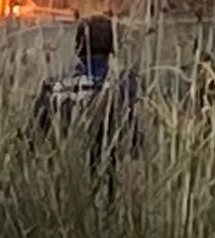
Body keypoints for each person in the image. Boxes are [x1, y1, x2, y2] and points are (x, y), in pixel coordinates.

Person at [31, 14, 142, 198]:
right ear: (113, 49)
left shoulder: (55, 89)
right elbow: (134, 144)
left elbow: (34, 140)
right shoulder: (122, 87)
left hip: (65, 191)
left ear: (77, 48)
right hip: (113, 188)